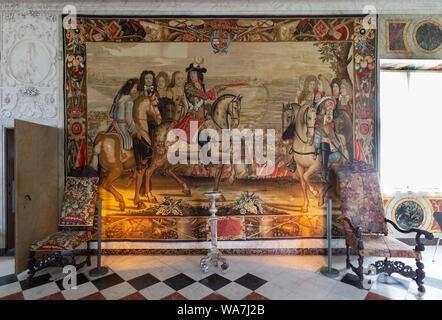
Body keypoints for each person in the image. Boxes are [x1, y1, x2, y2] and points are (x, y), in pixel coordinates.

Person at [313, 96, 349, 182]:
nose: (329, 112)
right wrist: (323, 123)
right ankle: (324, 171)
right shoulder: (321, 116)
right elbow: (319, 124)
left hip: (331, 136)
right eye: (328, 110)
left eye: (331, 110)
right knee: (323, 142)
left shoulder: (332, 119)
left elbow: (331, 124)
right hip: (322, 134)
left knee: (336, 142)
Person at [108, 78, 139, 152]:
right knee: (128, 139)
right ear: (129, 87)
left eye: (136, 88)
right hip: (122, 127)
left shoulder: (118, 96)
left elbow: (111, 114)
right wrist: (133, 128)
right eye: (133, 87)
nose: (135, 90)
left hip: (114, 125)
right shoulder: (129, 101)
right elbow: (128, 119)